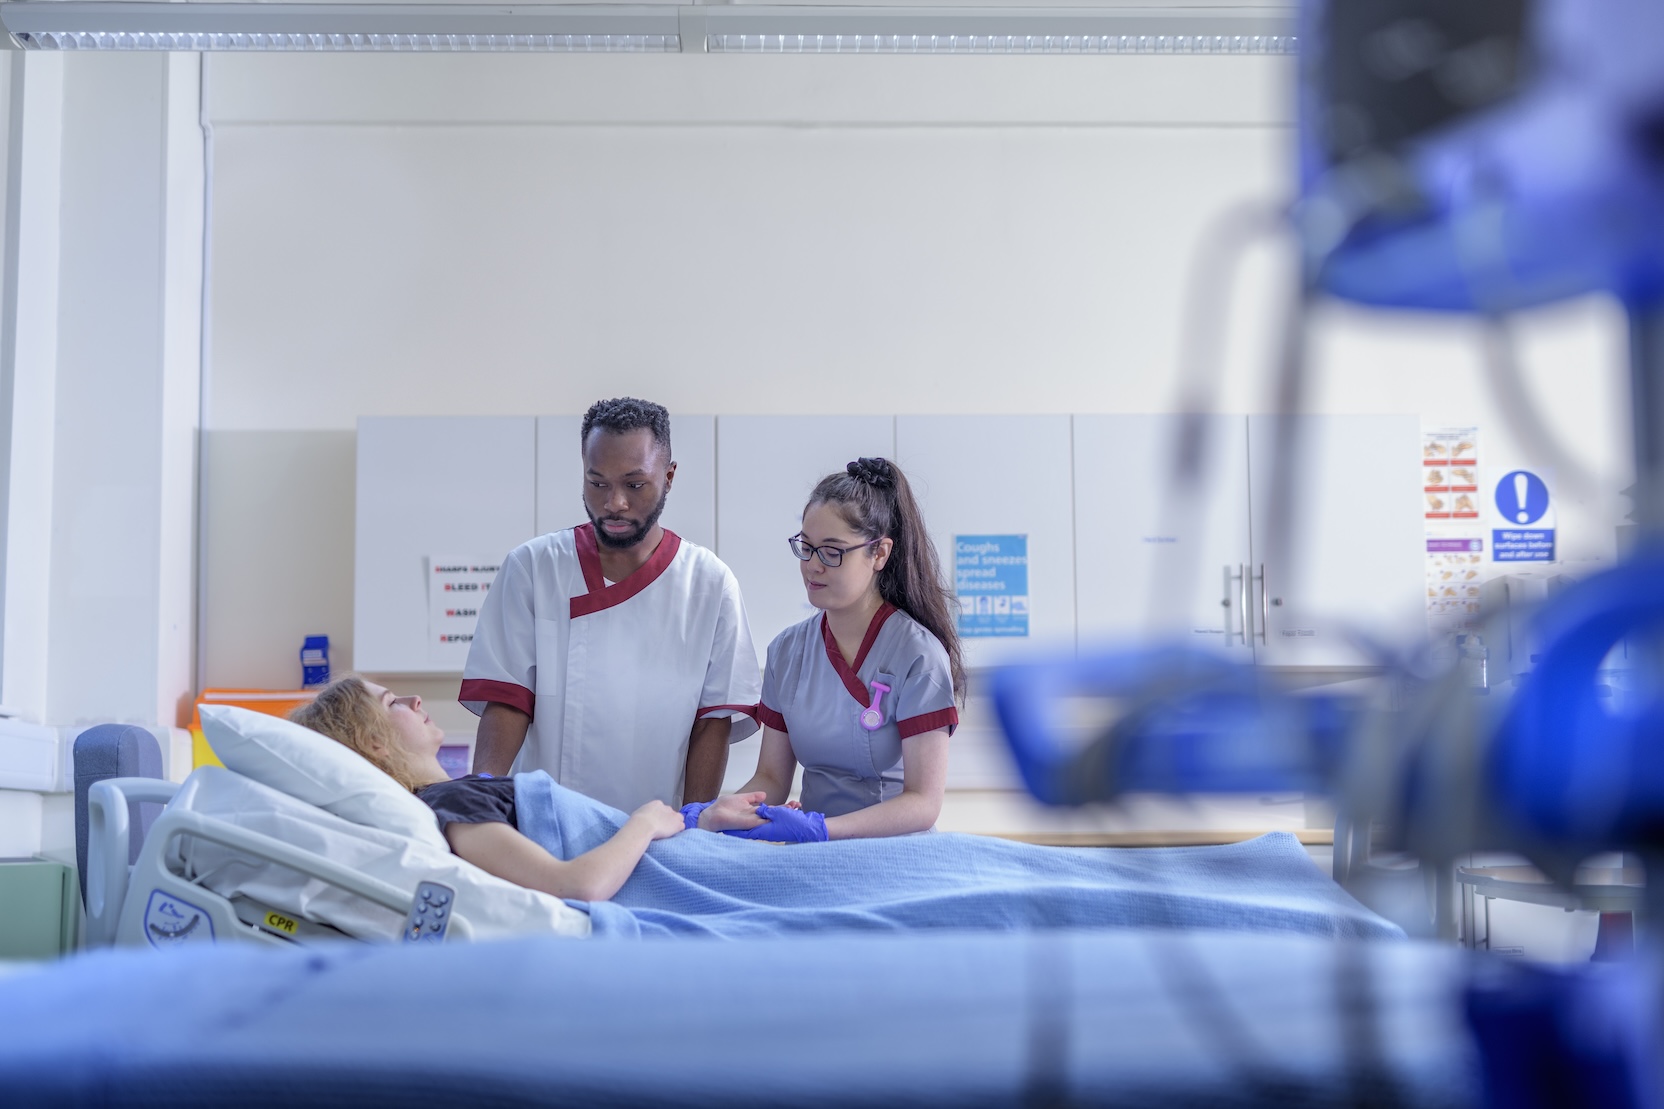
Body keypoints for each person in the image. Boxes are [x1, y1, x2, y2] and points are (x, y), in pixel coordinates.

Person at [460, 397, 761, 812]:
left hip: (657, 824)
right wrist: (477, 805)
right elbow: (507, 698)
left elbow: (712, 723)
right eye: (598, 483)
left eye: (634, 485)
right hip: (547, 820)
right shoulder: (533, 567)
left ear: (669, 477)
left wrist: (694, 828)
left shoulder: (709, 582)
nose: (614, 502)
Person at [292, 677, 774, 901]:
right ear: (373, 742)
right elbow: (576, 886)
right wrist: (645, 822)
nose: (415, 698)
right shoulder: (449, 805)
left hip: (678, 856)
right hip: (669, 882)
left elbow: (597, 839)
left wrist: (698, 820)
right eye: (392, 702)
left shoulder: (456, 796)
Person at [730, 457, 965, 840]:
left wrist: (822, 829)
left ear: (879, 553)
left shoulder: (918, 656)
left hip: (895, 854)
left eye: (832, 551)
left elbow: (923, 803)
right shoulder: (786, 653)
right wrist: (715, 816)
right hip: (814, 853)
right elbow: (770, 778)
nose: (813, 566)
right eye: (806, 547)